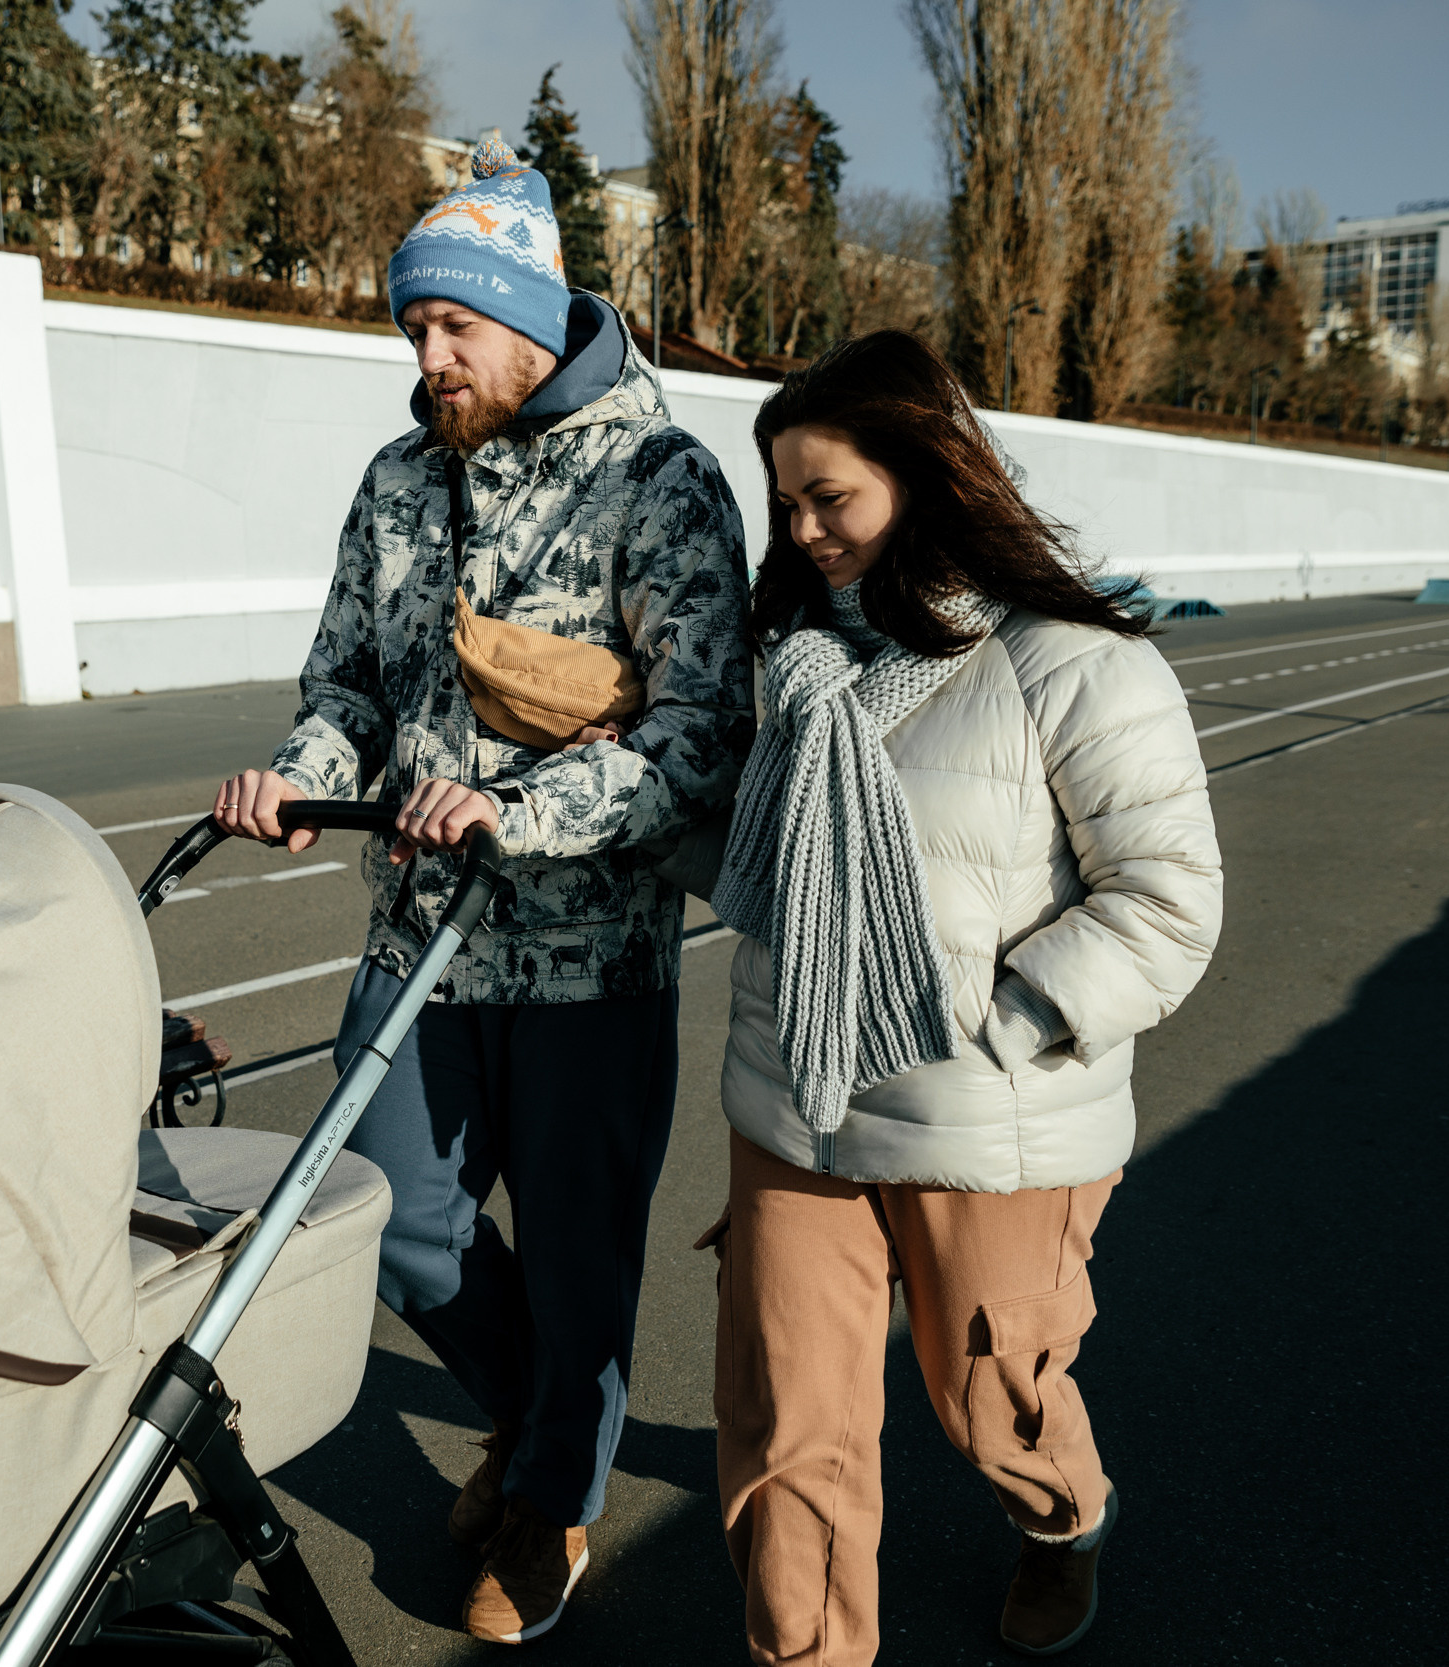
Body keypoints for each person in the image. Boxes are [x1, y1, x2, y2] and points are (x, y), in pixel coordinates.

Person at [215, 136, 755, 1645]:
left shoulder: (662, 482)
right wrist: (296, 775)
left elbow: (700, 738)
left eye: (452, 326)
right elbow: (347, 686)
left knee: (584, 1260)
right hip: (416, 941)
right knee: (387, 1212)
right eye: (413, 329)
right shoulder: (398, 483)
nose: (427, 355)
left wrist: (520, 812)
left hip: (592, 962)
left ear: (531, 319)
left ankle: (552, 1507)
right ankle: (533, 1428)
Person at [702, 332, 1222, 1664]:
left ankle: (1066, 1521)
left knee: (992, 1404)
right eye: (788, 502)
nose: (804, 530)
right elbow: (750, 866)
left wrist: (994, 1030)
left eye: (832, 497)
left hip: (987, 1125)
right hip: (794, 1105)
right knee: (789, 1427)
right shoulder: (797, 669)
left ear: (924, 478)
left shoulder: (1078, 664)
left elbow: (1166, 905)